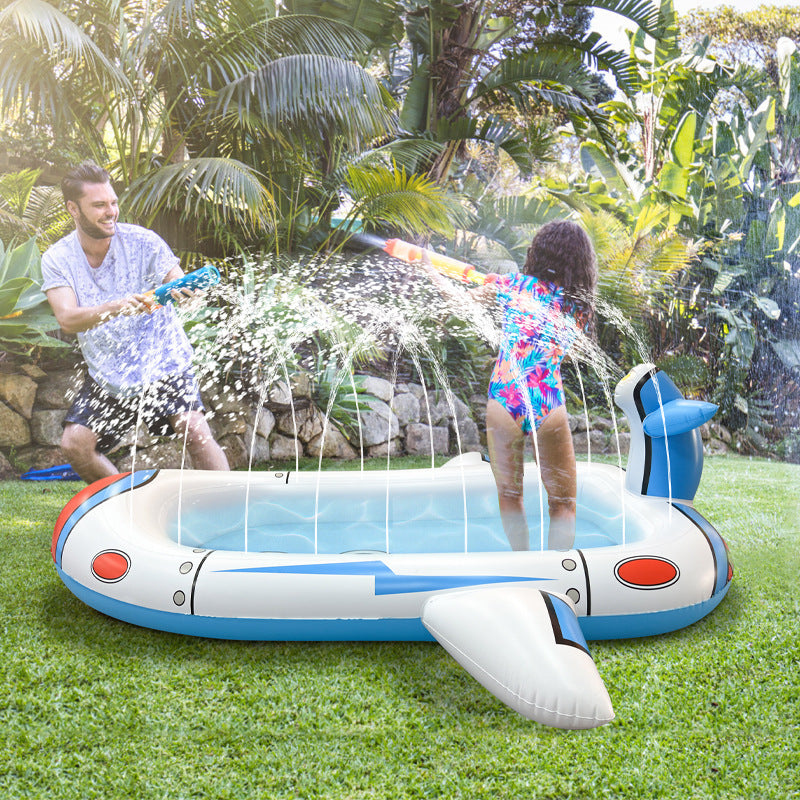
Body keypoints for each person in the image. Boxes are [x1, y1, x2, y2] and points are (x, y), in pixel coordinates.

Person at [41, 161, 229, 483]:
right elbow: (68, 319)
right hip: (109, 375)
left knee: (194, 430)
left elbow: (178, 281)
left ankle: (233, 510)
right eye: (99, 205)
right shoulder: (57, 259)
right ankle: (123, 506)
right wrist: (118, 307)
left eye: (113, 202)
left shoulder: (144, 242)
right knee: (76, 444)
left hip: (164, 361)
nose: (110, 211)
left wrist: (187, 290)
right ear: (73, 208)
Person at [422, 220, 596, 550]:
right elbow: (566, 351)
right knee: (563, 504)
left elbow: (458, 302)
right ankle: (556, 576)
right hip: (547, 398)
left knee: (510, 494)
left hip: (506, 395)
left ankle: (524, 565)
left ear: (539, 251)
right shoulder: (577, 306)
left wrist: (430, 270)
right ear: (579, 261)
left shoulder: (513, 284)